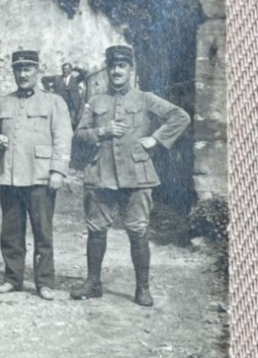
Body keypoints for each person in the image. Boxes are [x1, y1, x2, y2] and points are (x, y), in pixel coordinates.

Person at [71, 44, 190, 307]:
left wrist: (156, 140)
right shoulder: (96, 101)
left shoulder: (145, 98)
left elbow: (179, 117)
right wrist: (102, 131)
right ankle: (93, 282)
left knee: (137, 231)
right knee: (96, 229)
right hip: (101, 173)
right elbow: (79, 134)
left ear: (130, 69)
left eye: (122, 66)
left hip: (136, 175)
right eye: (112, 66)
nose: (116, 71)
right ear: (107, 69)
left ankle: (143, 288)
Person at [0, 49, 73, 301]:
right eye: (18, 69)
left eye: (28, 69)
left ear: (37, 71)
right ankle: (12, 278)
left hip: (40, 176)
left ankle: (44, 282)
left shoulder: (54, 102)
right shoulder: (3, 102)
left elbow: (64, 137)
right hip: (10, 177)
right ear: (13, 71)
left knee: (42, 232)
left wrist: (58, 170)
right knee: (11, 232)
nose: (23, 74)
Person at [53, 62, 83, 127]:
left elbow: (84, 73)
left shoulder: (75, 79)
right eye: (63, 69)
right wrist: (49, 91)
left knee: (72, 122)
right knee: (61, 122)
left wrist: (76, 68)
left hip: (72, 104)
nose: (64, 71)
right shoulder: (58, 78)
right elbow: (44, 79)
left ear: (70, 70)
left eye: (66, 69)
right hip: (61, 104)